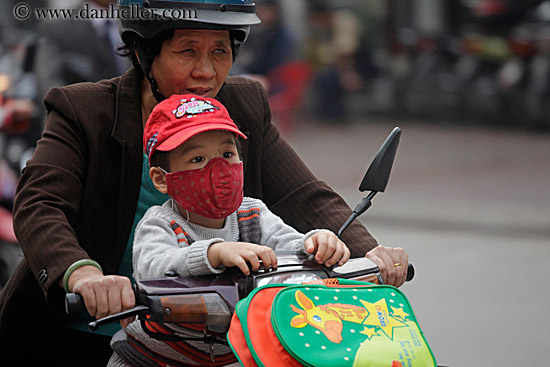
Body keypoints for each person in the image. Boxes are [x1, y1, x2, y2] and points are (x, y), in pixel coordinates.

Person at [0, 1, 408, 366]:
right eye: (187, 51)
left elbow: (301, 193)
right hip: (89, 335)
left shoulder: (243, 104)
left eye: (220, 51)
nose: (207, 71)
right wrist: (83, 276)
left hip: (213, 338)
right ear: (145, 53)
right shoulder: (84, 110)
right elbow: (40, 205)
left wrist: (369, 251)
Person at [107, 93, 350, 366]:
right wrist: (213, 253)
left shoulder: (252, 213)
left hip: (233, 354)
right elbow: (153, 267)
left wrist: (317, 242)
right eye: (198, 159)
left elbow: (290, 245)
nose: (219, 169)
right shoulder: (159, 223)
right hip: (152, 356)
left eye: (226, 154)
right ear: (162, 179)